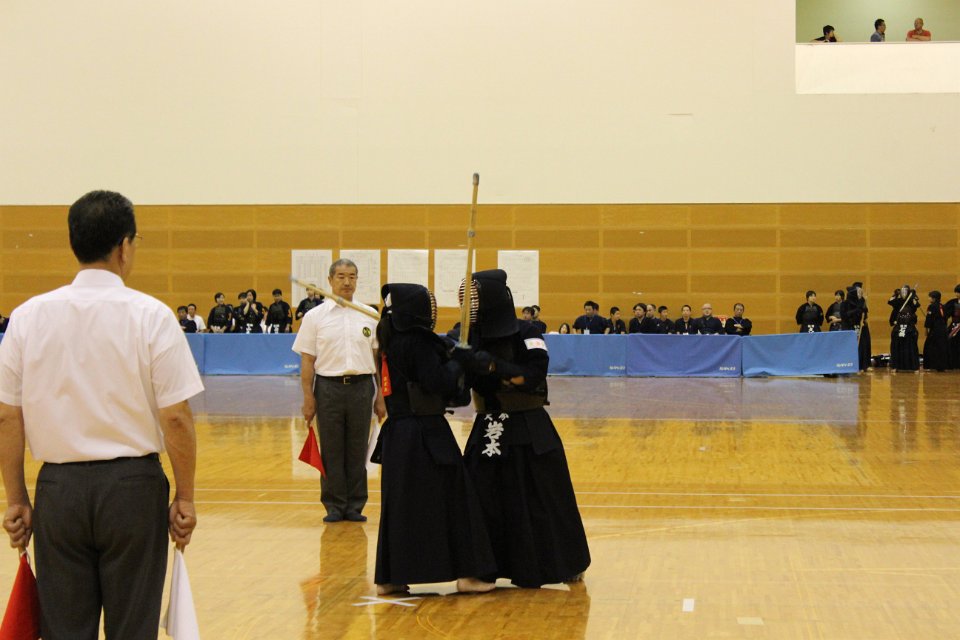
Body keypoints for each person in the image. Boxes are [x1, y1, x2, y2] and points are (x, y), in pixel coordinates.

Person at [0, 190, 200, 639]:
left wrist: (16, 500)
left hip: (59, 492)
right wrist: (185, 497)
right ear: (124, 246)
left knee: (64, 630)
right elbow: (175, 417)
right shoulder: (152, 316)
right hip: (133, 491)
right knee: (133, 628)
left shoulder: (27, 317)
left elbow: (7, 417)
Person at [460, 270, 590, 588]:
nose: (467, 306)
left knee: (542, 497)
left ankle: (561, 561)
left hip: (527, 426)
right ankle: (483, 568)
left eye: (473, 299)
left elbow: (533, 375)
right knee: (483, 496)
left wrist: (494, 366)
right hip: (489, 426)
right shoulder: (468, 336)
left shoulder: (528, 331)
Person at [373, 283, 496, 595]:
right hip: (425, 431)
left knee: (400, 505)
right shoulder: (418, 341)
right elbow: (438, 381)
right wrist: (460, 360)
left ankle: (391, 577)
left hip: (399, 433)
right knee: (457, 497)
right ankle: (469, 575)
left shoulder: (389, 337)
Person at [293, 259, 386, 523]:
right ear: (330, 280)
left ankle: (355, 504)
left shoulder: (369, 315)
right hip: (328, 389)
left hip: (362, 388)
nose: (347, 282)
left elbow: (378, 359)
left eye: (352, 277)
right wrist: (308, 397)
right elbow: (307, 361)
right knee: (331, 449)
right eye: (341, 276)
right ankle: (334, 505)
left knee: (358, 449)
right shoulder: (314, 317)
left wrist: (381, 395)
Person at [887, 286, 919, 372]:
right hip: (898, 328)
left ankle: (913, 367)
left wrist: (913, 295)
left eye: (905, 292)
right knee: (896, 346)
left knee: (911, 346)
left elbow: (916, 305)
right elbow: (890, 301)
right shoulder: (897, 303)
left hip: (909, 329)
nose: (904, 294)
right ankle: (895, 366)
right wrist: (895, 294)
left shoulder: (911, 302)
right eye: (902, 292)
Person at [841, 282, 872, 371]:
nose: (859, 294)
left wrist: (863, 316)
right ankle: (853, 365)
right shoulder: (845, 303)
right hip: (850, 328)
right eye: (857, 292)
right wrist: (857, 310)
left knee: (863, 346)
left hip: (861, 326)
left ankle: (864, 365)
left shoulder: (862, 301)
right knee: (853, 347)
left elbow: (865, 314)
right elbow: (844, 316)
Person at [922, 291, 949, 372]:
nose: (928, 298)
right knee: (941, 347)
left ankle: (930, 365)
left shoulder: (931, 306)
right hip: (943, 329)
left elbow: (929, 319)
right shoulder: (943, 306)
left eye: (929, 297)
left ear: (934, 298)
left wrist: (927, 329)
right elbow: (945, 318)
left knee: (929, 347)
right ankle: (941, 366)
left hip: (935, 330)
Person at [945, 285, 960, 370]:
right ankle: (953, 363)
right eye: (956, 292)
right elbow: (945, 313)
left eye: (958, 292)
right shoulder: (952, 302)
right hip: (954, 326)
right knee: (952, 343)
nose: (957, 294)